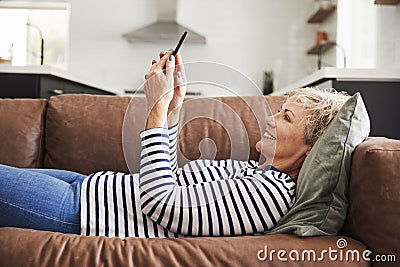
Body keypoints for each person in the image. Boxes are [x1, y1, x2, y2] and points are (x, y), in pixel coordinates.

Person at [0, 50, 350, 238]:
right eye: (280, 111)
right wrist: (173, 107)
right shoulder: (257, 172)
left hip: (84, 213)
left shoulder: (269, 197)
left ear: (310, 150)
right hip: (91, 189)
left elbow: (163, 203)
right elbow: (167, 177)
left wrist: (153, 110)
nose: (271, 119)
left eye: (286, 118)